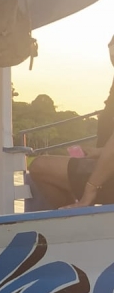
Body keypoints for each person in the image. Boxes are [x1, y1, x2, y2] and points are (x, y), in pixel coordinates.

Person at [30, 39, 114, 208]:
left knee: (40, 166)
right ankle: (75, 215)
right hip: (106, 169)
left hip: (108, 177)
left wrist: (90, 190)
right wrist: (98, 152)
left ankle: (74, 216)